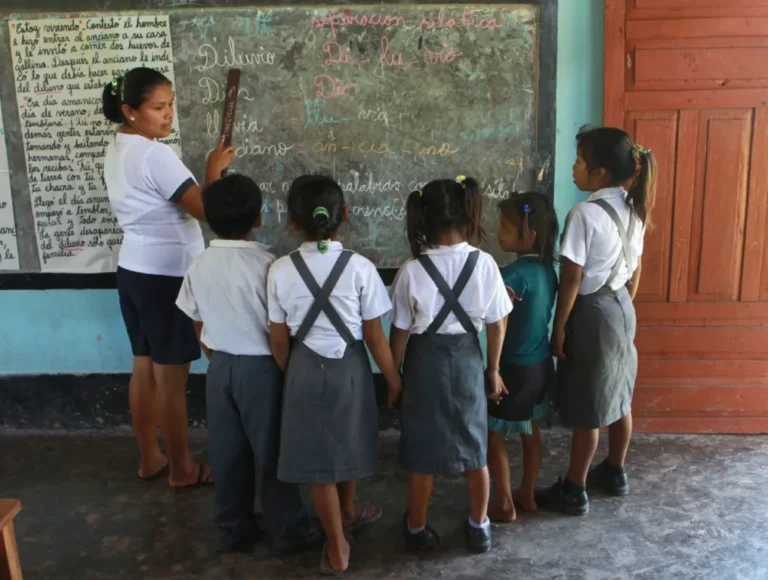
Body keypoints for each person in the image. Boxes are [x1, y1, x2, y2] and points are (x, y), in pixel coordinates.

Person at [175, 174, 322, 554]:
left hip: (219, 366)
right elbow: (280, 328)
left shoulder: (199, 263)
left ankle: (232, 526)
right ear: (258, 218)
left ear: (207, 217)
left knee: (226, 451)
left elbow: (195, 317)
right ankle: (289, 528)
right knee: (272, 451)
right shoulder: (269, 265)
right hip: (263, 369)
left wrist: (212, 351)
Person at [102, 66, 234, 488]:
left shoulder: (119, 146)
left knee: (144, 366)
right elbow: (208, 210)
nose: (167, 115)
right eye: (158, 108)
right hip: (167, 277)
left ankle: (150, 459)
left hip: (135, 271)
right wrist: (213, 170)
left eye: (170, 105)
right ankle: (181, 468)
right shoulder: (154, 154)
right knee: (172, 379)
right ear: (129, 110)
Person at [267, 175, 402, 575]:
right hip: (352, 369)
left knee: (317, 458)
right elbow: (376, 337)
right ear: (344, 215)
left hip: (303, 367)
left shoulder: (279, 270)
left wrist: (292, 371)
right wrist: (393, 380)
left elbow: (278, 340)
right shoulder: (361, 268)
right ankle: (343, 524)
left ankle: (340, 529)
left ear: (292, 223)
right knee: (346, 442)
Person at [536, 126, 656, 515]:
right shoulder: (635, 209)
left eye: (580, 161)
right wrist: (621, 305)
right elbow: (635, 271)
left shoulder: (584, 213)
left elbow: (571, 278)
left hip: (591, 313)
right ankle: (615, 470)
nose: (574, 168)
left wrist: (558, 328)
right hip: (621, 307)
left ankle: (575, 487)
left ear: (600, 172)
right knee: (619, 395)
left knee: (589, 405)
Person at [389, 176, 513, 554]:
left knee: (423, 453)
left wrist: (394, 378)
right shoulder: (486, 264)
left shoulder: (411, 270)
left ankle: (415, 527)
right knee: (475, 446)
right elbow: (497, 323)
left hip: (424, 366)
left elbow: (400, 333)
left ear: (423, 218)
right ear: (468, 213)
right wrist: (493, 369)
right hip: (467, 364)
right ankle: (480, 527)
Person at [486, 193, 559, 522]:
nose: (498, 232)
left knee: (493, 437)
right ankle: (526, 494)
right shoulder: (547, 270)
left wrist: (494, 368)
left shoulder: (513, 275)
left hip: (514, 368)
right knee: (530, 431)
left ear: (528, 233)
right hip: (540, 366)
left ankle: (503, 503)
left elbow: (499, 322)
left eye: (505, 226)